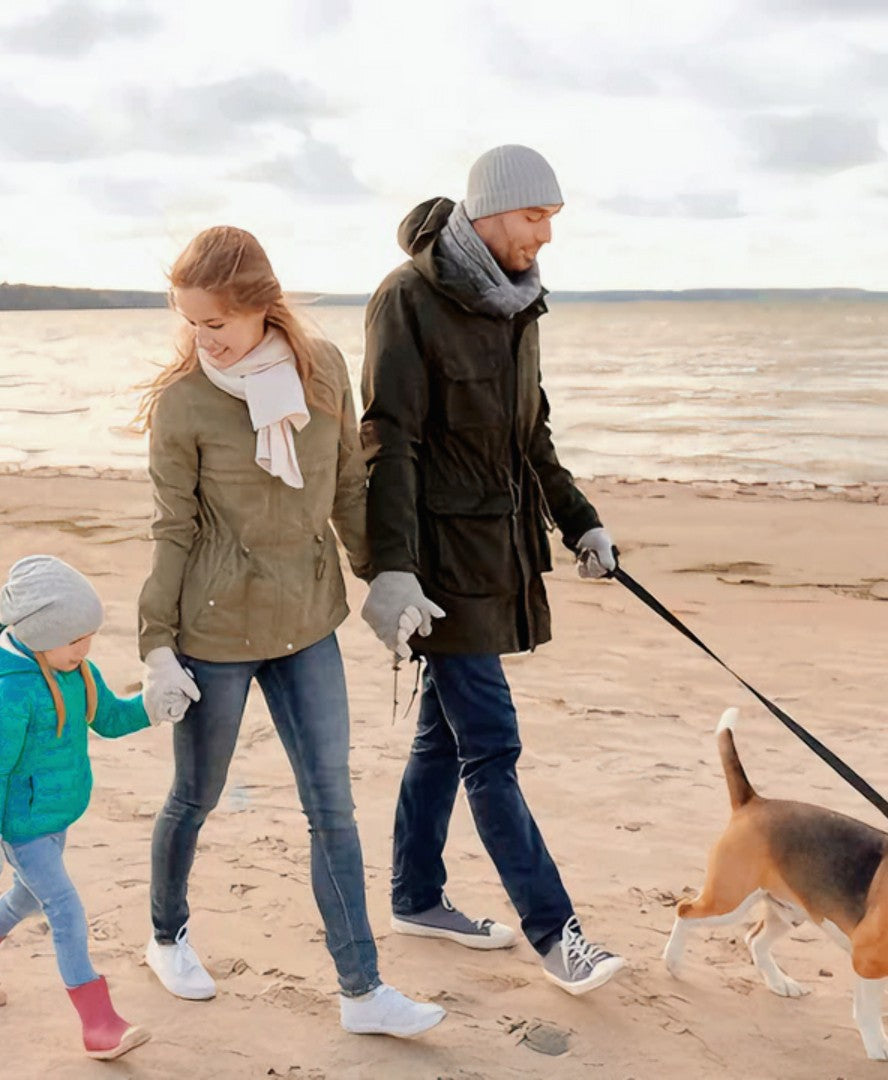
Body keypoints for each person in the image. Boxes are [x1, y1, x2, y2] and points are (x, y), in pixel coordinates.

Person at [133, 226, 446, 1038]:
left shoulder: (324, 369)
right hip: (214, 628)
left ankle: (362, 991)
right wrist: (156, 645)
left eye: (217, 323)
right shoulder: (184, 403)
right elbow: (173, 530)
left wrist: (384, 575)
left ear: (260, 304)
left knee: (331, 806)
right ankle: (166, 937)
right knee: (194, 797)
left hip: (308, 620)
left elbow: (346, 486)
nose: (205, 339)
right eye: (192, 324)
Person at [358, 144, 626, 995]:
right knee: (493, 747)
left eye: (552, 219)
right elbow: (387, 439)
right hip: (439, 568)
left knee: (444, 739)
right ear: (487, 212)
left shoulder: (520, 305)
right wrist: (390, 570)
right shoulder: (408, 299)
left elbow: (529, 437)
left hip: (500, 553)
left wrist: (581, 522)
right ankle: (558, 935)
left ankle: (413, 895)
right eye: (532, 217)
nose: (544, 236)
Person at [0, 555, 152, 1060]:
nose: (84, 649)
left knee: (29, 897)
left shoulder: (75, 669)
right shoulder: (6, 696)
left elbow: (110, 719)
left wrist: (155, 706)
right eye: (73, 639)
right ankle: (98, 1021)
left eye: (89, 638)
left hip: (54, 815)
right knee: (63, 907)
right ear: (37, 633)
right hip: (20, 826)